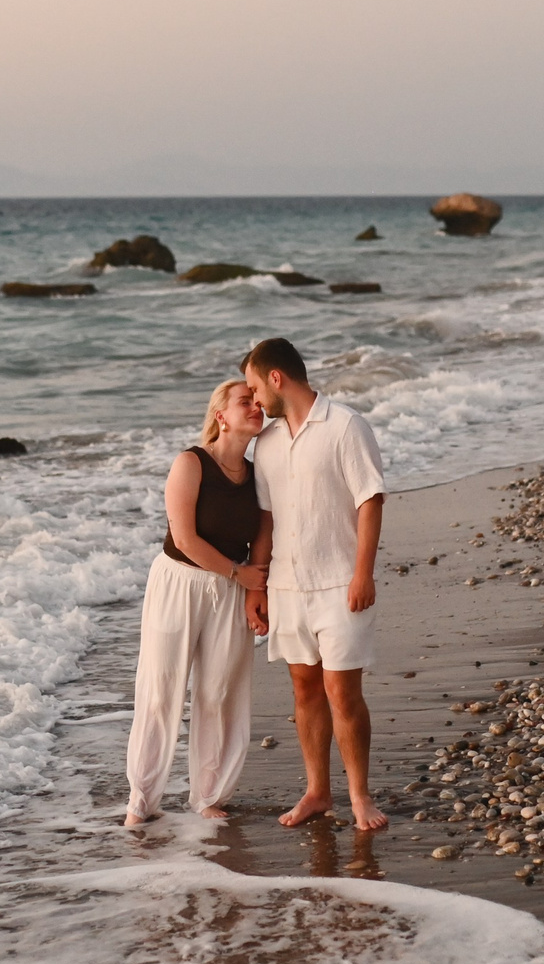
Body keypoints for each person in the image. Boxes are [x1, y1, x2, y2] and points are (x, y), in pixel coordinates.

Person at [240, 337, 389, 831]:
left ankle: (360, 796)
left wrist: (363, 573)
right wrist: (258, 586)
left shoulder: (345, 426)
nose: (253, 398)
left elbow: (370, 500)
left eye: (254, 387)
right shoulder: (266, 443)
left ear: (276, 377)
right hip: (287, 586)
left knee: (342, 693)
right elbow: (266, 519)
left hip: (339, 583)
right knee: (305, 690)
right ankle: (317, 792)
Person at [123, 379, 269, 827]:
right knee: (161, 689)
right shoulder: (191, 463)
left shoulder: (260, 474)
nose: (256, 407)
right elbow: (184, 538)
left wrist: (254, 588)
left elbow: (266, 532)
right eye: (245, 402)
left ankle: (208, 795)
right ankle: (141, 800)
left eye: (258, 401)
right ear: (221, 416)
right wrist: (239, 574)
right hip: (179, 582)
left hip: (231, 590)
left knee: (220, 692)